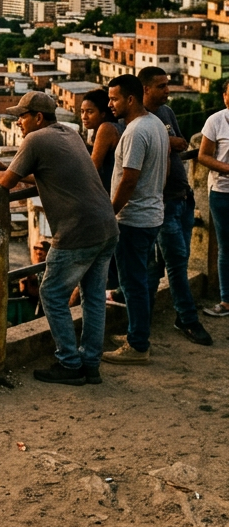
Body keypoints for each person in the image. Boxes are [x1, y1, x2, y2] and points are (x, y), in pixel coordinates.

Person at [0, 91, 118, 385]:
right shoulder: (69, 133)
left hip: (77, 231)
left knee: (52, 294)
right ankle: (90, 364)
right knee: (93, 298)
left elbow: (5, 184)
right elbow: (46, 174)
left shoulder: (35, 139)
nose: (19, 122)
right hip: (106, 226)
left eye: (22, 116)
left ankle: (69, 363)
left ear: (38, 118)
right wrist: (10, 171)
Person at [139, 66, 212, 345]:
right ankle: (188, 319)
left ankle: (142, 323)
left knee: (158, 267)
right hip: (163, 202)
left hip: (182, 197)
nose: (167, 90)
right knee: (177, 264)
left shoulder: (167, 114)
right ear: (145, 89)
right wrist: (166, 143)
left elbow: (182, 144)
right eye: (161, 86)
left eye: (167, 85)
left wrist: (171, 143)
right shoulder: (139, 120)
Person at [103, 74, 169, 365]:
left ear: (130, 98)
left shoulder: (134, 132)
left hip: (133, 219)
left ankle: (138, 345)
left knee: (133, 284)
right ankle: (135, 334)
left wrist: (110, 213)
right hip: (151, 214)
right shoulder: (155, 124)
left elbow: (129, 179)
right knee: (137, 281)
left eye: (114, 98)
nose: (110, 104)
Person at [199, 81, 229, 318]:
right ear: (225, 96)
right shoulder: (216, 121)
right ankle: (226, 300)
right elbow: (203, 156)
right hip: (222, 191)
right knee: (225, 247)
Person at [80, 89, 122, 191]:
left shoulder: (107, 128)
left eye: (90, 112)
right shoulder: (96, 131)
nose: (84, 117)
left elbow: (92, 168)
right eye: (82, 111)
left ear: (103, 114)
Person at [16, 241, 51, 318]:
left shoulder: (50, 269)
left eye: (41, 250)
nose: (38, 252)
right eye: (36, 249)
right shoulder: (33, 269)